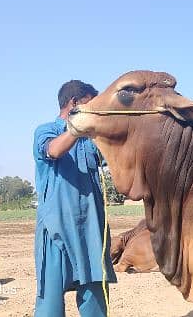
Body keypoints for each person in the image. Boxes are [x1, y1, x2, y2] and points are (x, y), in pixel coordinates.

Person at [33, 80, 116, 316]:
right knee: (50, 305)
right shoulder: (46, 130)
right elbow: (54, 151)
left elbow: (119, 157)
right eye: (90, 105)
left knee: (95, 303)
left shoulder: (93, 140)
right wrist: (76, 128)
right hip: (55, 231)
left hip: (90, 231)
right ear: (74, 103)